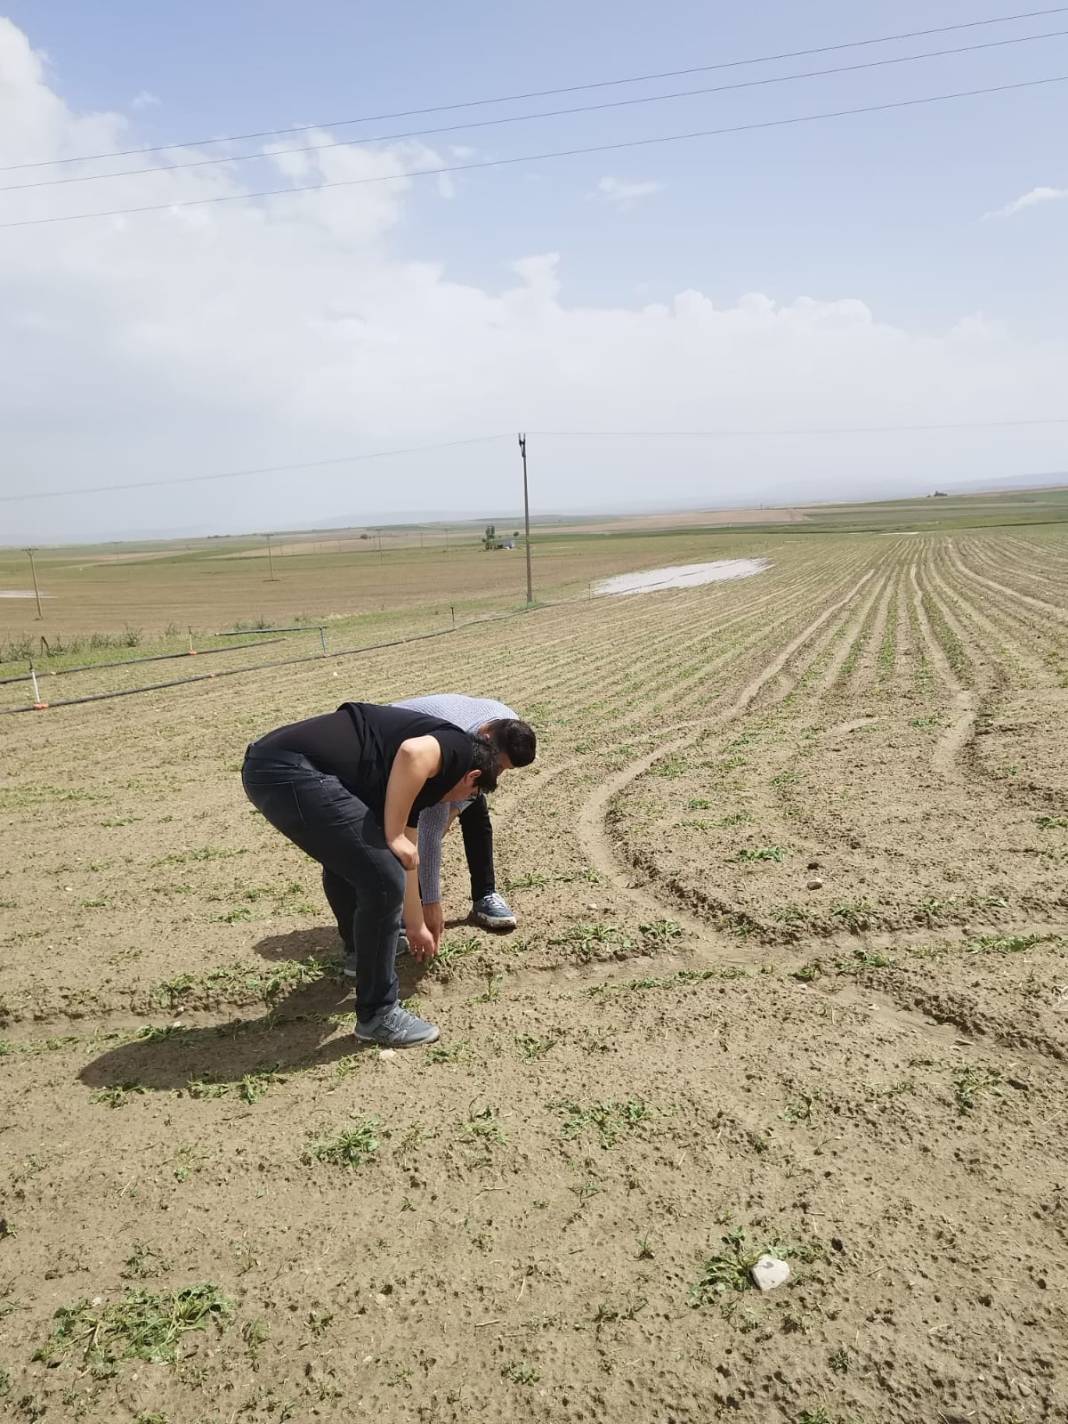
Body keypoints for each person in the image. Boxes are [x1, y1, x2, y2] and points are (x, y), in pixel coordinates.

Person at [241, 700, 498, 1048]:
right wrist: (391, 834)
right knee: (380, 876)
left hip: (274, 762)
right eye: (473, 794)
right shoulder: (455, 749)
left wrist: (417, 923)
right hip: (289, 769)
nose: (464, 802)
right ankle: (378, 1014)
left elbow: (409, 857)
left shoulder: (424, 786)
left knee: (358, 865)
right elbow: (410, 751)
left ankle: (359, 957)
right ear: (473, 778)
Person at [390, 694, 536, 951]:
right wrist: (431, 905)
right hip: (394, 751)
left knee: (476, 812)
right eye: (499, 767)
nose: (499, 775)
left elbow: (468, 793)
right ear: (486, 738)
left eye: (505, 770)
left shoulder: (509, 726)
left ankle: (485, 895)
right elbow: (430, 833)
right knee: (400, 835)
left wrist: (455, 809)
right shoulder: (457, 742)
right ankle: (405, 914)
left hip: (435, 751)